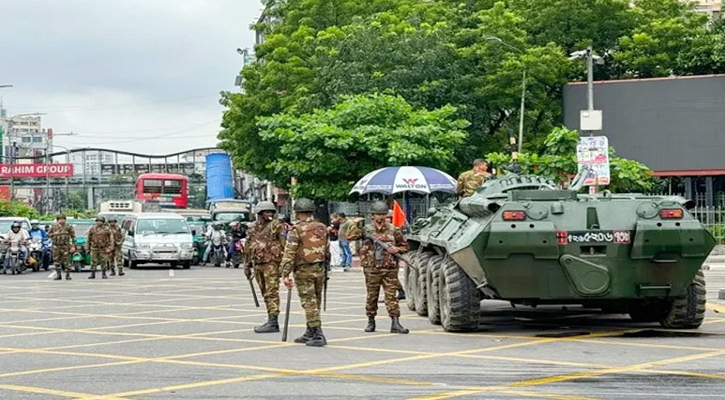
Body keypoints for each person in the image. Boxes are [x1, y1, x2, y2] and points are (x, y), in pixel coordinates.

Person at [346, 200, 410, 334]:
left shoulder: (394, 230)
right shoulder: (366, 230)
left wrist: (396, 249)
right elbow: (350, 237)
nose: (381, 217)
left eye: (383, 214)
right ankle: (371, 321)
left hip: (389, 269)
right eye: (378, 214)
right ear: (372, 216)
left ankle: (395, 323)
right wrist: (353, 223)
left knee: (391, 296)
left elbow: (405, 247)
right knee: (372, 296)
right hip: (372, 269)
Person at [281, 198, 330, 347]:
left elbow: (290, 252)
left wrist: (285, 273)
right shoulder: (322, 227)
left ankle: (317, 333)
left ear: (297, 213)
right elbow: (327, 250)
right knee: (316, 300)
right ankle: (310, 330)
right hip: (320, 268)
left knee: (308, 302)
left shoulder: (296, 230)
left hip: (304, 269)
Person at [245, 201, 286, 333]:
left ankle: (273, 322)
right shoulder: (252, 228)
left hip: (272, 263)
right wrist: (247, 265)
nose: (269, 214)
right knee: (265, 292)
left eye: (271, 212)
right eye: (266, 212)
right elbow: (248, 247)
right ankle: (270, 318)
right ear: (259, 214)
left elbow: (284, 244)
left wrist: (285, 266)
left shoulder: (277, 226)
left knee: (272, 292)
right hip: (257, 263)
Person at [48, 214, 75, 281]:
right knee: (56, 261)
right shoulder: (53, 227)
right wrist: (54, 234)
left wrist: (73, 246)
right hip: (56, 246)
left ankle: (68, 275)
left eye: (63, 219)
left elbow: (73, 237)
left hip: (65, 246)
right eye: (60, 219)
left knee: (67, 262)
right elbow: (48, 235)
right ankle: (58, 275)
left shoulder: (68, 227)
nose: (61, 220)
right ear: (57, 220)